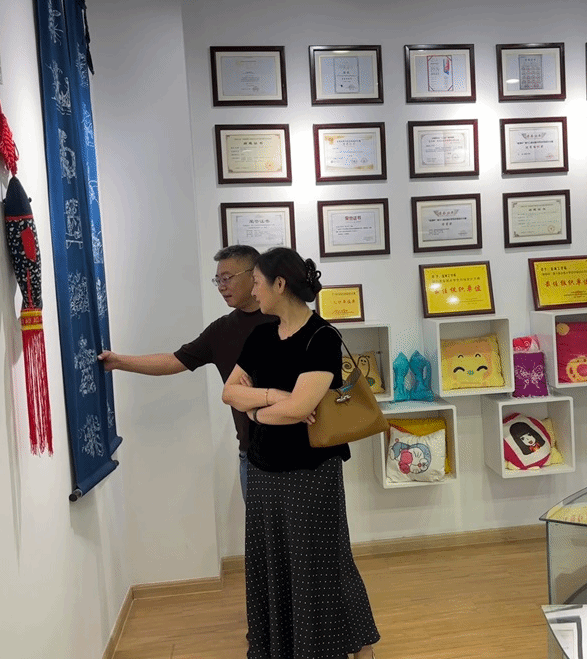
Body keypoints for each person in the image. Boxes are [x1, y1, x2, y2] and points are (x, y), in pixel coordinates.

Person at [222, 247, 380, 659]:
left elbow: (301, 408)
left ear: (279, 284)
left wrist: (256, 409)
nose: (253, 291)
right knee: (270, 561)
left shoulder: (321, 337)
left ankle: (344, 645)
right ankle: (282, 645)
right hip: (263, 467)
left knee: (321, 561)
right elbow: (229, 392)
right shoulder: (260, 336)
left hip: (311, 471)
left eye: (257, 282)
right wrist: (273, 398)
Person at [98, 245, 275, 499]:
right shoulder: (222, 330)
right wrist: (118, 362)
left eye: (227, 278)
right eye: (218, 280)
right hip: (252, 454)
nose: (221, 286)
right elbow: (174, 361)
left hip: (301, 449)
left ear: (253, 275)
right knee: (260, 527)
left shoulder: (283, 320)